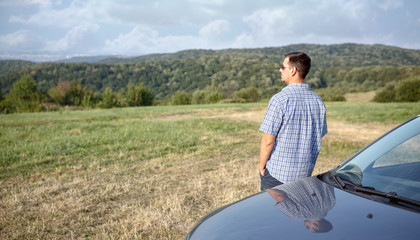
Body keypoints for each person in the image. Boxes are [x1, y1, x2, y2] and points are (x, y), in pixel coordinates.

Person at [259, 52, 327, 190]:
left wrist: (261, 166)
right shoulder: (318, 100)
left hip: (277, 175)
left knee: (270, 211)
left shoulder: (279, 99)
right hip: (305, 174)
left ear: (293, 70)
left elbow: (268, 141)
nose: (280, 70)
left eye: (283, 67)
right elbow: (318, 135)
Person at [266, 177, 335, 233]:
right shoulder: (298, 216)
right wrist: (265, 187)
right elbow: (279, 196)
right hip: (282, 177)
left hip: (305, 170)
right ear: (316, 226)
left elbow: (326, 179)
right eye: (308, 227)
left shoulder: (331, 203)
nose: (305, 224)